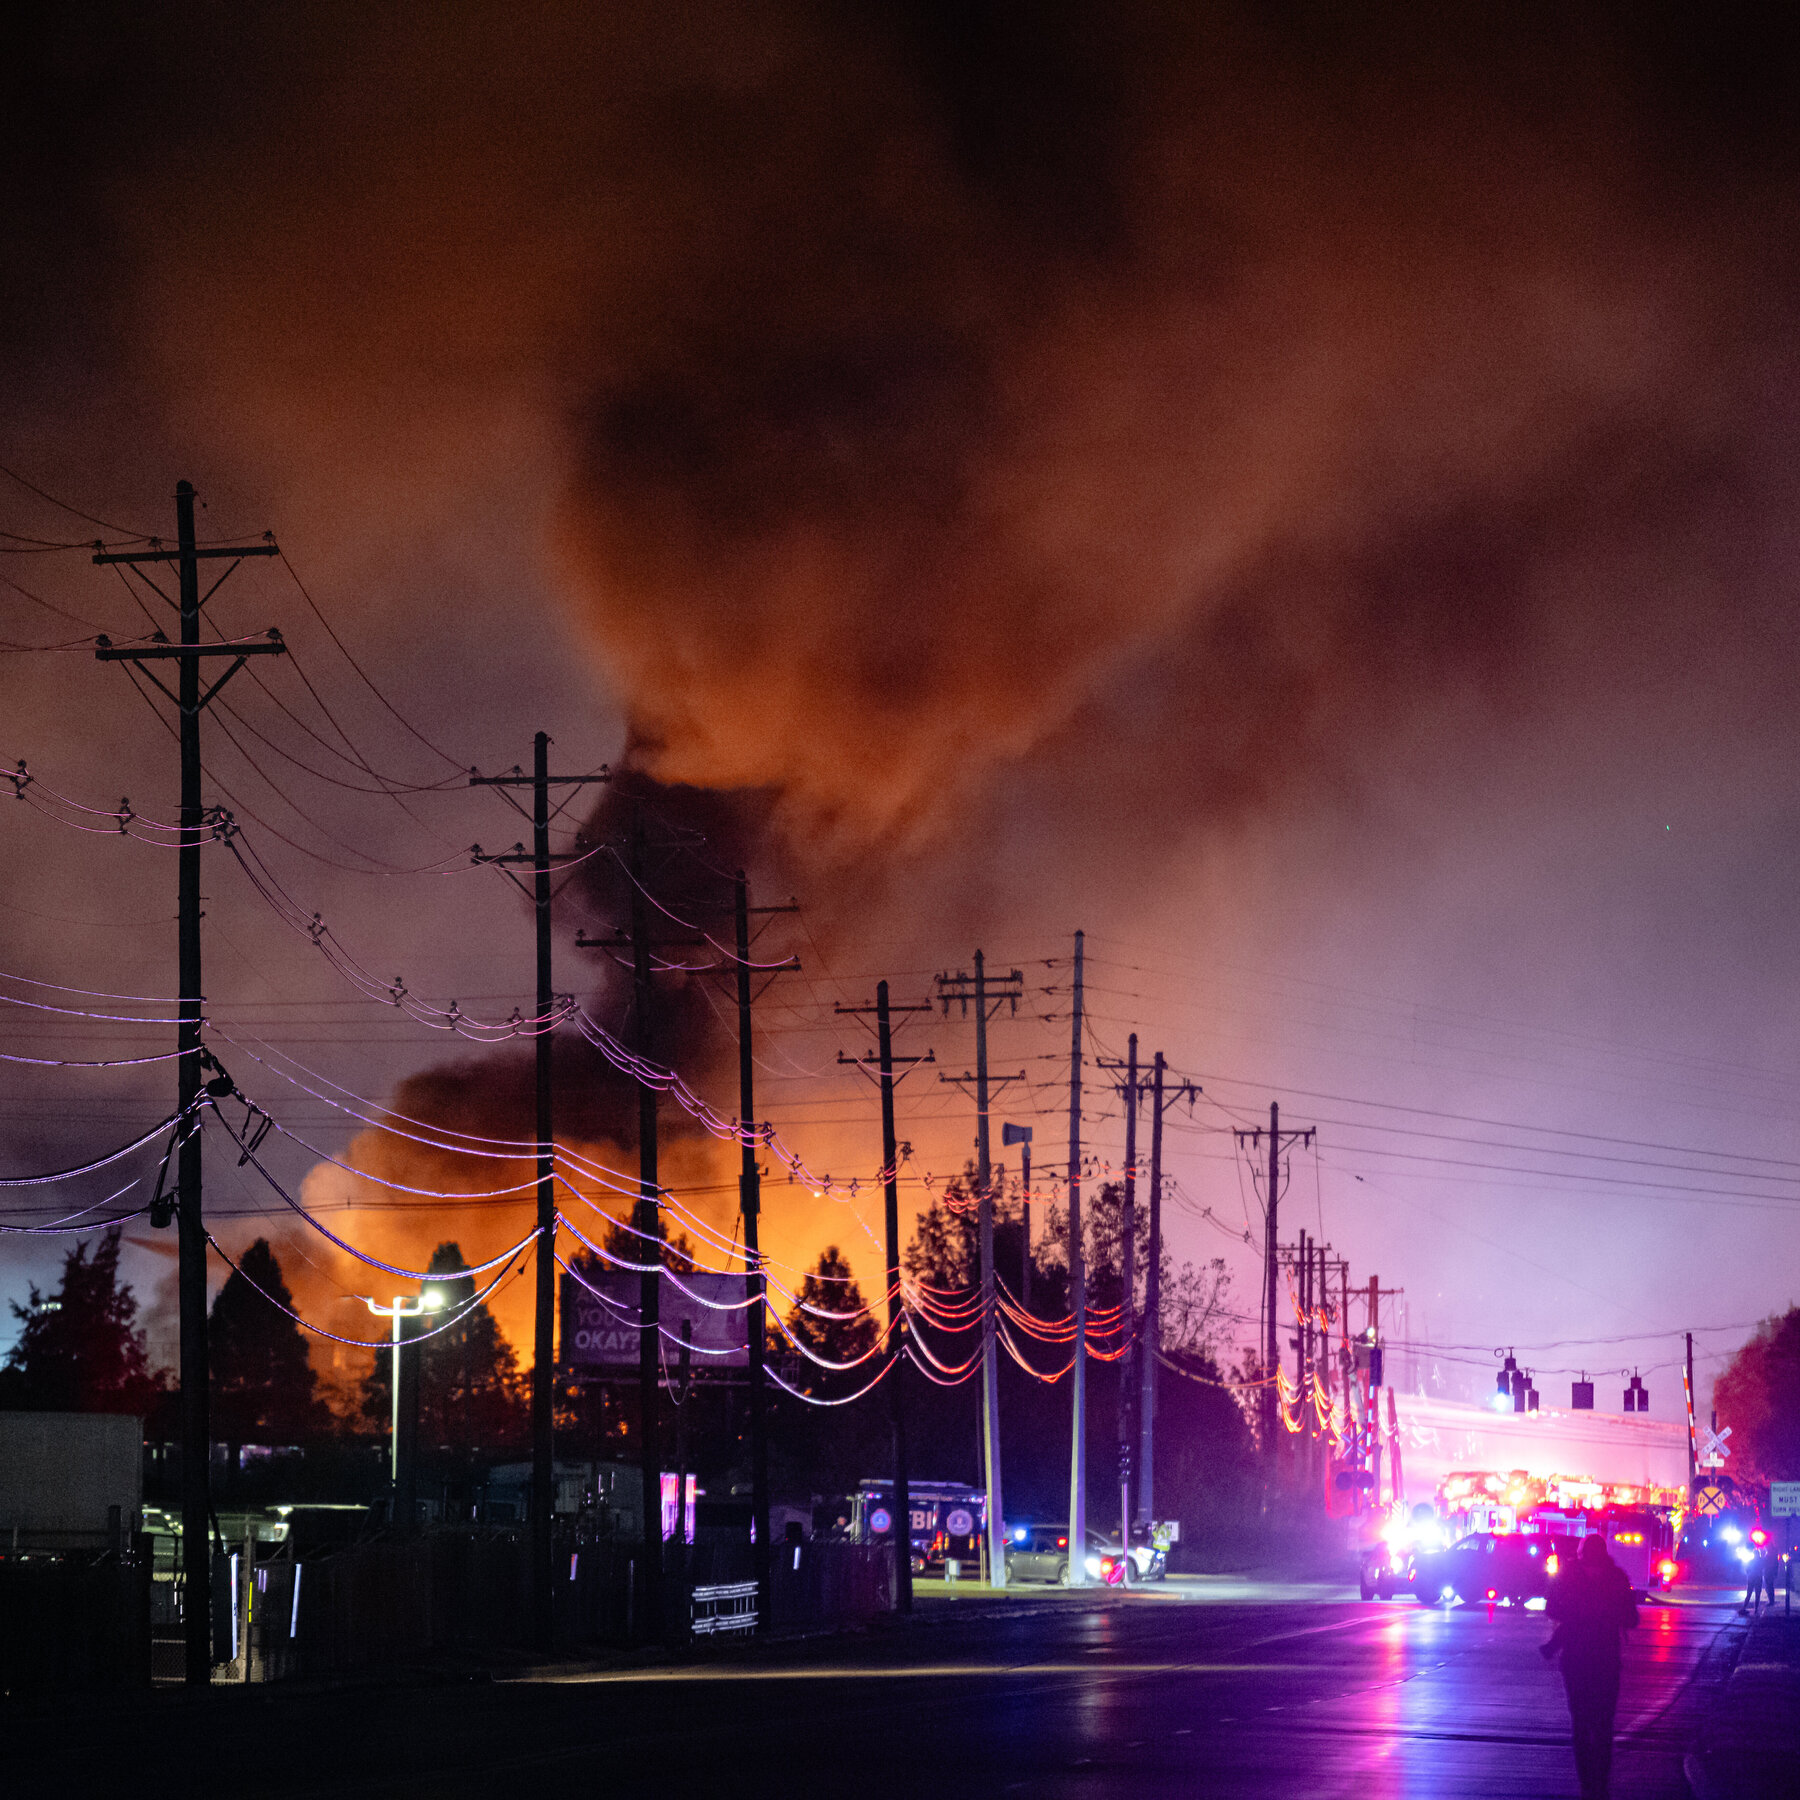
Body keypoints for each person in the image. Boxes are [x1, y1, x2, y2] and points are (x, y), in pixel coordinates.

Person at [1542, 1534, 1639, 1800]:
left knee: (1581, 1722)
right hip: (1606, 1659)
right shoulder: (1617, 1577)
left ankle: (1586, 1784)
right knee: (1604, 1723)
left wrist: (1577, 1615)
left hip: (1575, 1659)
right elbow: (1631, 1619)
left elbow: (1551, 1609)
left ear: (1581, 1553)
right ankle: (1601, 1785)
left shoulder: (1568, 1576)